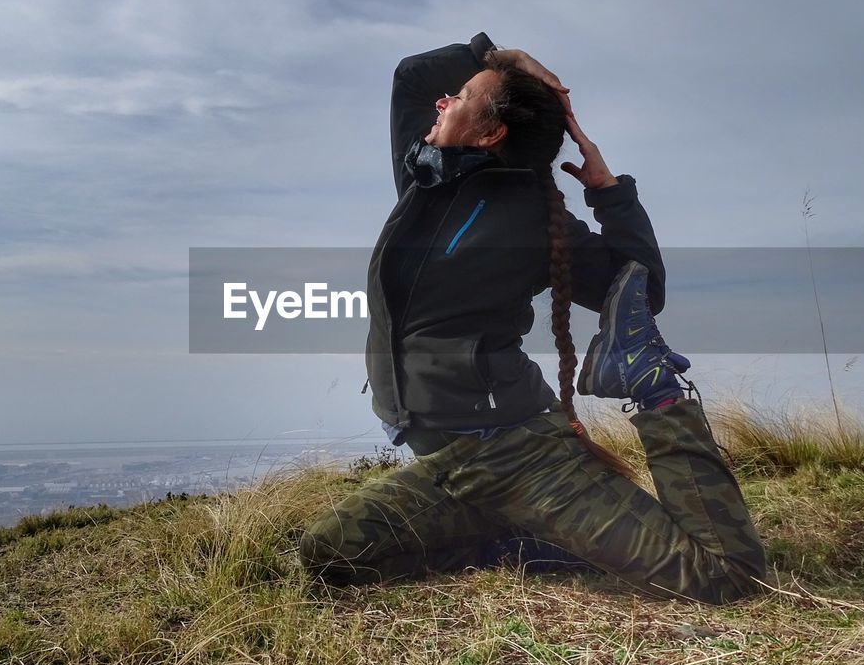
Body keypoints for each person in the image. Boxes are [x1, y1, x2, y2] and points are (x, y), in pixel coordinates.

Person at [299, 33, 766, 604]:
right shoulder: (422, 176)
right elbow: (411, 76)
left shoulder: (531, 218)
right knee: (329, 551)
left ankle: (659, 399)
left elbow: (640, 288)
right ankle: (516, 538)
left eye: (462, 97)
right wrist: (500, 57)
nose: (442, 102)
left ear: (491, 131)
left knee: (723, 578)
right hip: (447, 465)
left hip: (519, 455)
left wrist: (610, 194)